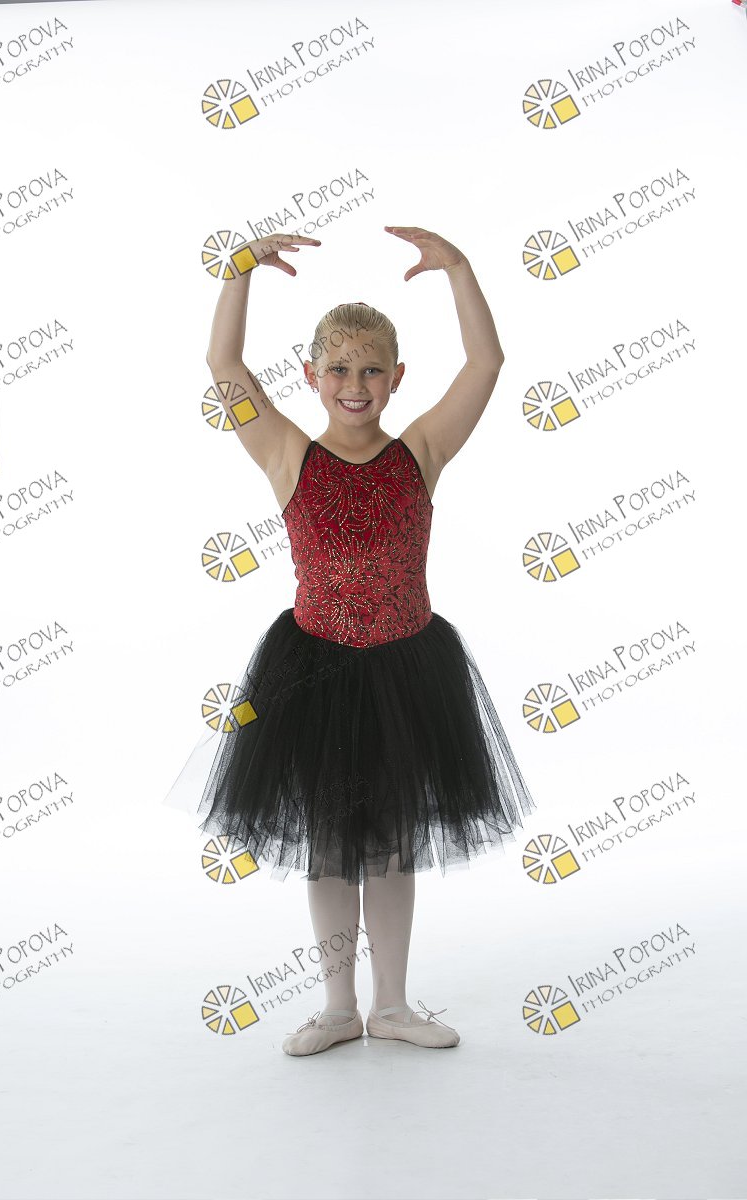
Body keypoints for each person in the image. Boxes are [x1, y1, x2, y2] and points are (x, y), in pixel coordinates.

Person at [168, 226, 538, 1056]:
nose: (355, 384)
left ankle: (393, 1004)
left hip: (407, 668)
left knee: (393, 846)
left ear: (398, 376)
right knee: (331, 848)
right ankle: (338, 1006)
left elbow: (486, 365)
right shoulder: (286, 453)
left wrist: (461, 270)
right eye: (337, 369)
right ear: (310, 376)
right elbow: (224, 365)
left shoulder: (422, 453)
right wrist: (239, 271)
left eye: (372, 369)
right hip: (316, 674)